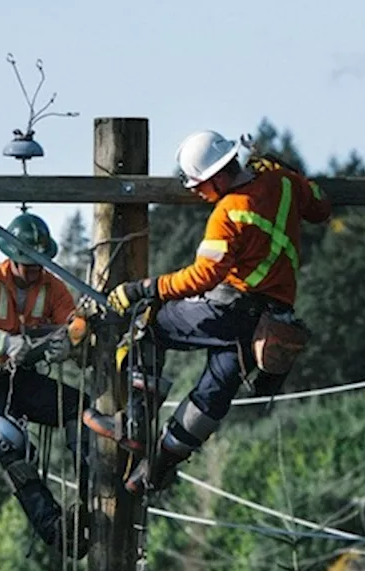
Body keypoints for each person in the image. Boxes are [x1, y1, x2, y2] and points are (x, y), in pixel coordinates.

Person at [104, 130, 332, 495]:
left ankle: (134, 425)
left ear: (219, 176)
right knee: (213, 395)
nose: (196, 192)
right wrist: (288, 170)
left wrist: (143, 289)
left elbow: (203, 276)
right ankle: (156, 469)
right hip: (268, 323)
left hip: (232, 309)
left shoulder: (228, 213)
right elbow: (321, 207)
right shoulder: (284, 184)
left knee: (147, 324)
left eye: (199, 184)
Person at [0, 211, 96, 555]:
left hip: (16, 377)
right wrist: (4, 343)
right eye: (27, 264)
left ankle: (92, 498)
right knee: (11, 443)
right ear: (11, 260)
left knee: (80, 408)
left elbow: (74, 325)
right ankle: (56, 530)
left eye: (38, 264)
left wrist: (68, 343)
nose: (33, 270)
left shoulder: (51, 288)